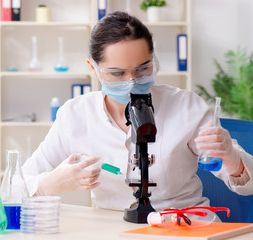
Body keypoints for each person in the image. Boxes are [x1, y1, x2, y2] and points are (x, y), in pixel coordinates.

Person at [22, 11, 253, 212]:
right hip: (113, 229)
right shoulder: (75, 115)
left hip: (182, 226)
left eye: (143, 69)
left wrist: (233, 161)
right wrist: (50, 184)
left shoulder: (186, 107)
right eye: (117, 73)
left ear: (153, 59)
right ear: (93, 68)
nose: (132, 82)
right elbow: (17, 185)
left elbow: (248, 187)